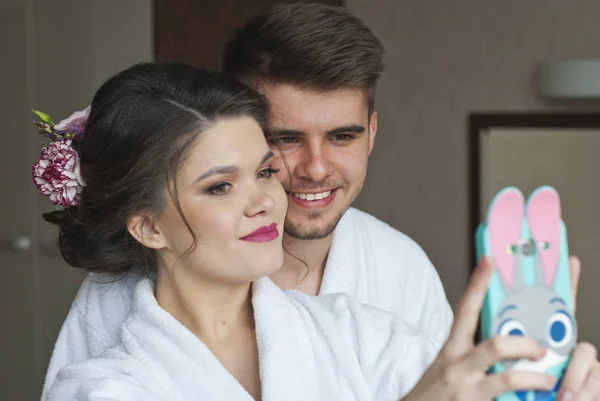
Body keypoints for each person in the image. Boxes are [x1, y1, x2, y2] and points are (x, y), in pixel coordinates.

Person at [42, 4, 600, 400]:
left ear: (373, 133)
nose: (304, 173)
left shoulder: (360, 326)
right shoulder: (105, 376)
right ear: (147, 227)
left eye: (261, 171)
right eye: (284, 141)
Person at [42, 61, 443, 400]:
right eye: (221, 187)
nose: (265, 201)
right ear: (148, 226)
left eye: (265, 172)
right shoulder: (102, 389)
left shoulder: (363, 336)